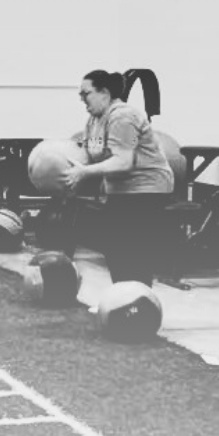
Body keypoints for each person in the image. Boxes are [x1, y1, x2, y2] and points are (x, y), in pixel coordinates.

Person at [56, 69, 175, 285]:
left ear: (105, 93)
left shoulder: (123, 117)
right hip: (121, 191)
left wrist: (84, 173)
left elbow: (123, 162)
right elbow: (92, 158)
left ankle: (137, 302)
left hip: (146, 190)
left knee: (132, 251)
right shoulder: (93, 121)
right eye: (80, 95)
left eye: (86, 93)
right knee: (113, 246)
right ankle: (123, 299)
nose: (82, 99)